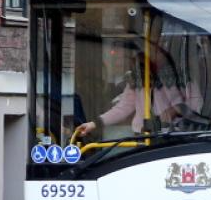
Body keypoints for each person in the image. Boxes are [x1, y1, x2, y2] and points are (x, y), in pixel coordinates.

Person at [74, 44, 203, 140]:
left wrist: (177, 109)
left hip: (175, 135)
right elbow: (122, 108)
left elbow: (197, 106)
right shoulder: (137, 79)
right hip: (142, 135)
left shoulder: (183, 77)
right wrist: (95, 123)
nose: (152, 57)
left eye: (156, 52)